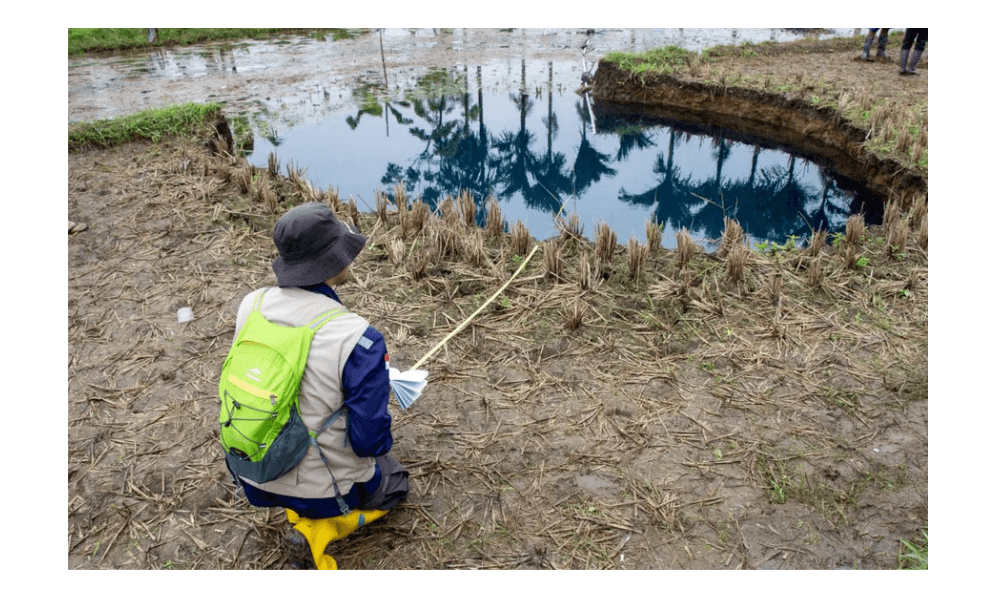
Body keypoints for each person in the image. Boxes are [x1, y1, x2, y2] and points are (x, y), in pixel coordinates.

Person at [228, 202, 409, 520]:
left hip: (252, 473)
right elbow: (369, 442)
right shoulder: (358, 338)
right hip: (324, 494)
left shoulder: (251, 304)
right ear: (331, 261)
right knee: (392, 476)